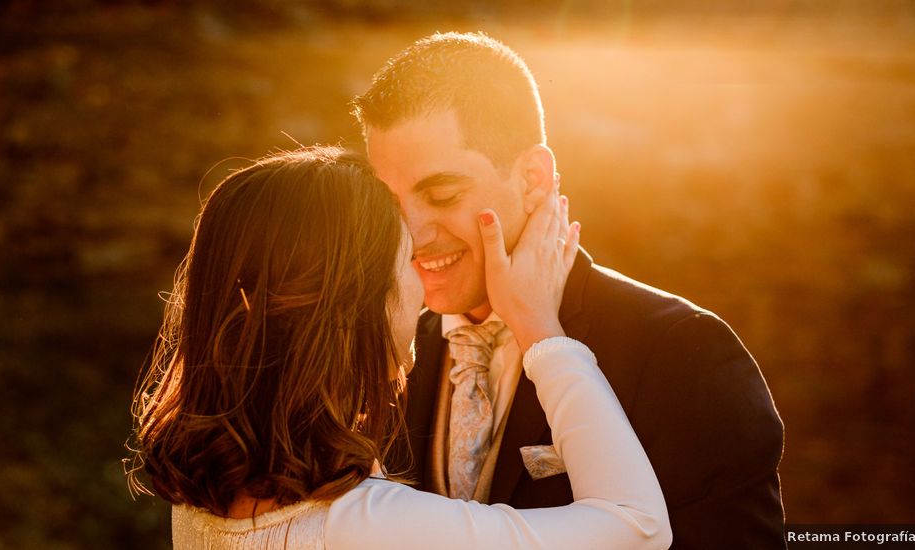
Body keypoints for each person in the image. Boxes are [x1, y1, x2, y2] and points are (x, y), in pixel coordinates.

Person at [353, 32, 786, 548]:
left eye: (443, 194)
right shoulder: (381, 351)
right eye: (390, 202)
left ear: (534, 178)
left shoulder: (682, 353)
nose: (413, 234)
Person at [128, 146, 671, 549]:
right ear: (357, 305)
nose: (423, 295)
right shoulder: (366, 527)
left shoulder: (202, 492)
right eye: (405, 260)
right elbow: (637, 524)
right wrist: (542, 331)